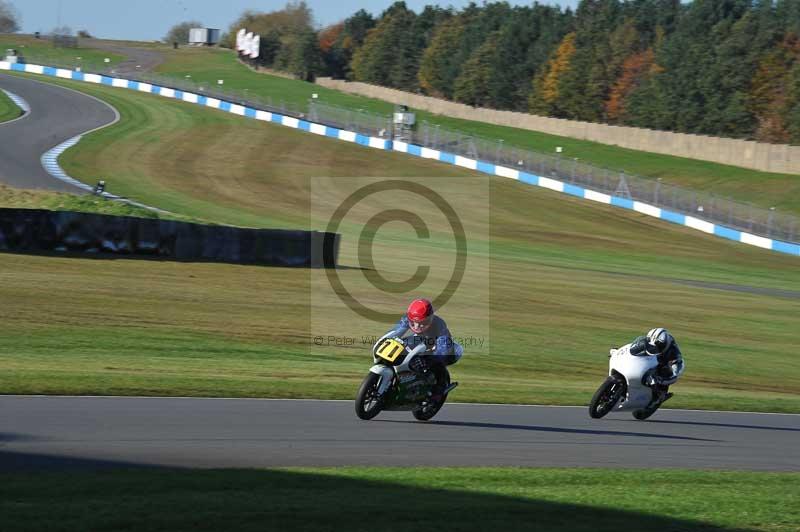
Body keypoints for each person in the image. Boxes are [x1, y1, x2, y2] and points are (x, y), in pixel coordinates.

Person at [381, 298, 462, 400]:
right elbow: (396, 331)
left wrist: (429, 360)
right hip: (420, 342)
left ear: (430, 318)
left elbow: (444, 349)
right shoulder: (407, 318)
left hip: (440, 348)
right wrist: (387, 339)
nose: (417, 326)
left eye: (422, 322)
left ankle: (439, 389)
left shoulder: (439, 325)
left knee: (441, 360)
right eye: (414, 322)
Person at [628, 328, 685, 405]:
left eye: (658, 346)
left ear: (664, 344)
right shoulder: (652, 340)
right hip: (652, 358)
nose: (655, 347)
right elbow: (636, 345)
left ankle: (660, 396)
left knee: (665, 373)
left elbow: (674, 375)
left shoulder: (673, 353)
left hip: (664, 366)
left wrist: (661, 380)